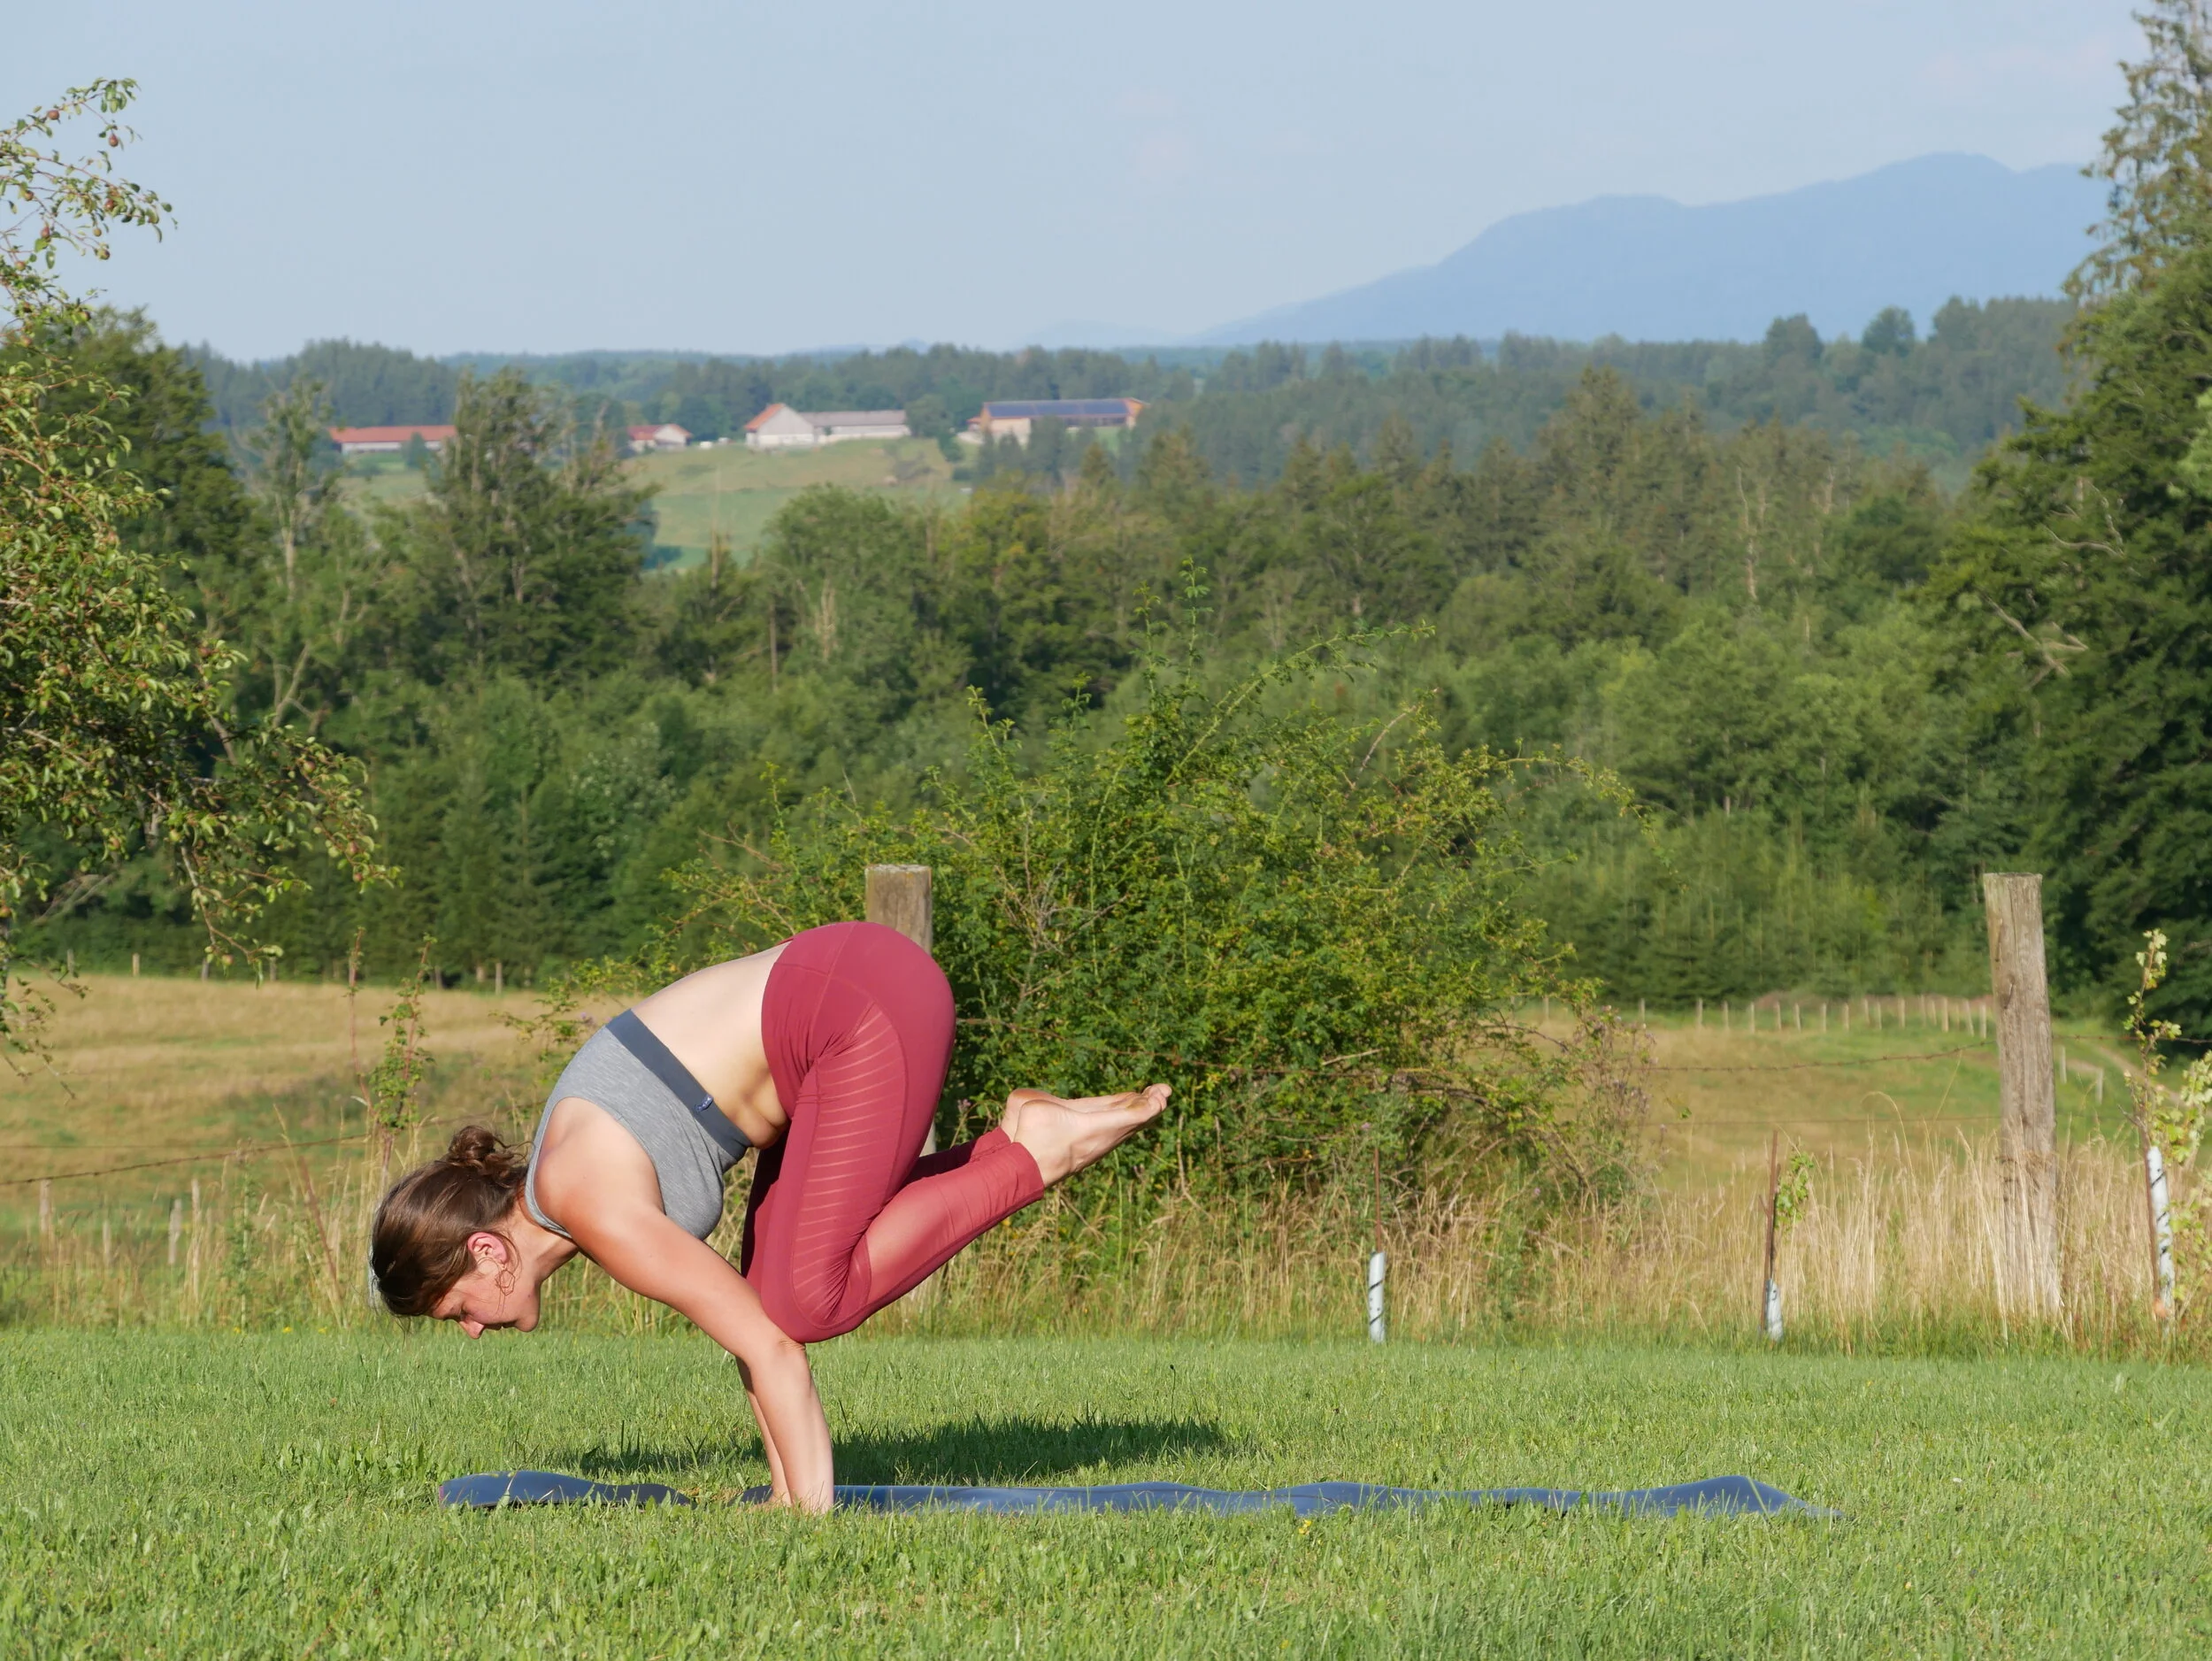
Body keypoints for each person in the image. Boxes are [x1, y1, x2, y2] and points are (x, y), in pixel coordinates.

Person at [369, 920, 1168, 1511]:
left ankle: (1033, 1150)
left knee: (806, 1300)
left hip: (860, 1007)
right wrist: (784, 1493)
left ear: (486, 1251)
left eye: (456, 1308)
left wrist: (810, 1521)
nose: (471, 1329)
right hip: (838, 1004)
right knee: (778, 1294)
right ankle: (1018, 1141)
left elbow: (773, 1344)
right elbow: (748, 1323)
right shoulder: (563, 1186)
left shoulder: (586, 1201)